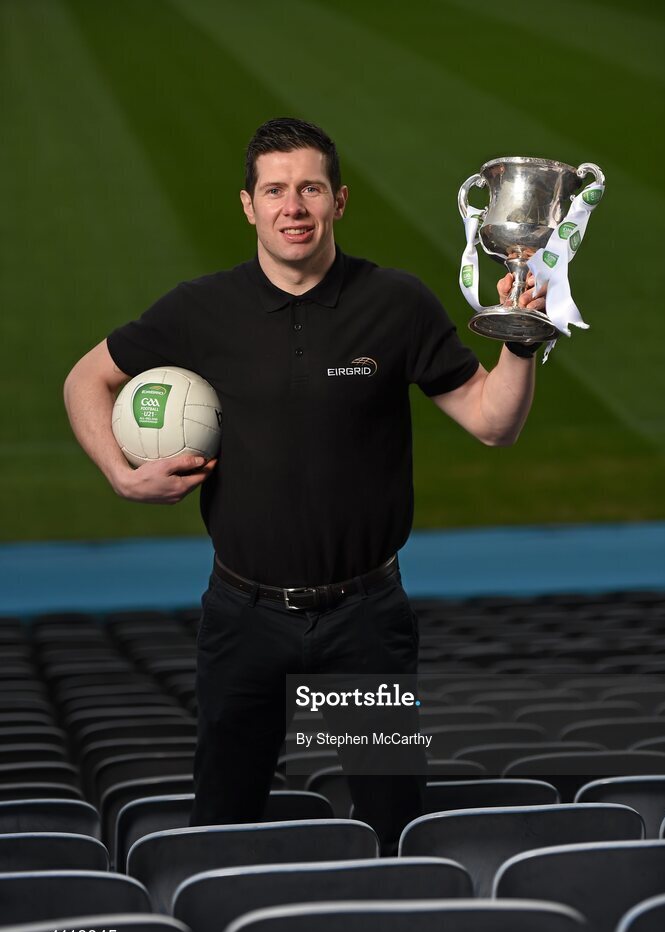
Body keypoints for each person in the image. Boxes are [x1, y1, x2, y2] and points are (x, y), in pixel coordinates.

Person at [63, 117, 546, 854]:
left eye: (310, 189)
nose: (293, 206)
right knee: (224, 820)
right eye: (276, 190)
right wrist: (122, 477)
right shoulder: (201, 309)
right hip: (242, 617)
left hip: (362, 620)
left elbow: (491, 423)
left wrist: (519, 341)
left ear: (339, 201)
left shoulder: (396, 303)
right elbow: (85, 378)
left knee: (393, 824)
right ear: (248, 206)